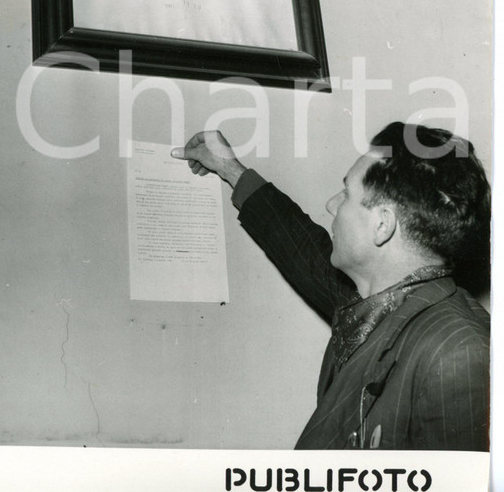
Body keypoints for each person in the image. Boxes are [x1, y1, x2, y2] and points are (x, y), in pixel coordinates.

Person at [170, 123, 491, 450]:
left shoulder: (460, 351)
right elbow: (304, 251)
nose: (331, 205)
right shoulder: (376, 303)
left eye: (347, 194)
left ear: (382, 225)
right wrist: (230, 169)